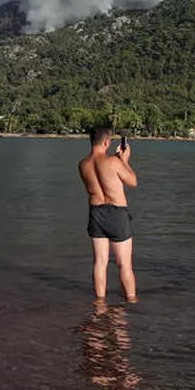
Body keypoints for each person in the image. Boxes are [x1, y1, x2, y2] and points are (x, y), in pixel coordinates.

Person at [78, 127, 138, 302]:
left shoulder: (82, 164)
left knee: (100, 263)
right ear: (107, 142)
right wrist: (124, 160)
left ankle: (100, 303)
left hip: (96, 213)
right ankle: (131, 301)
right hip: (117, 213)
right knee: (124, 264)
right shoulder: (113, 161)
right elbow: (133, 182)